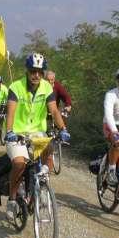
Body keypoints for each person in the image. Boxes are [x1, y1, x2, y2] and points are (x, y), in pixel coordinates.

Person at [4, 53, 71, 220]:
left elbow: (54, 110)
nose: (36, 75)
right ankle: (12, 200)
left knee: (49, 150)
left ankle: (42, 186)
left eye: (40, 72)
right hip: (18, 133)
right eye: (33, 71)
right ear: (27, 71)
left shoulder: (47, 88)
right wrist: (10, 131)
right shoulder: (15, 87)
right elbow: (10, 112)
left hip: (37, 133)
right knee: (19, 164)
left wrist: (63, 128)